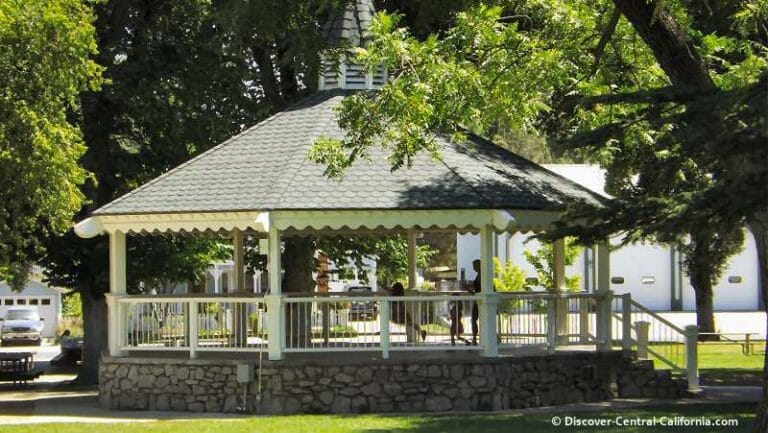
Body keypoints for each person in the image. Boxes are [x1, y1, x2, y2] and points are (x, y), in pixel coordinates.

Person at [470, 259, 481, 345]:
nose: (473, 268)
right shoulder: (479, 275)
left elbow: (478, 291)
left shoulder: (482, 276)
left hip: (480, 301)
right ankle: (474, 339)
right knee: (474, 320)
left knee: (474, 319)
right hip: (478, 300)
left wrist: (468, 289)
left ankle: (475, 339)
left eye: (474, 266)